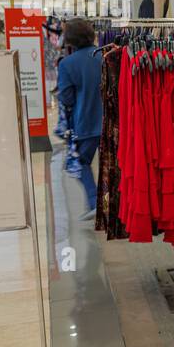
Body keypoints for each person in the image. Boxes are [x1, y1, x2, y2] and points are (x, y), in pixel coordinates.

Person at [57, 18, 103, 220]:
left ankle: (94, 201)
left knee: (82, 161)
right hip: (111, 121)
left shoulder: (67, 64)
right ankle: (114, 202)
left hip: (85, 121)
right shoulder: (104, 55)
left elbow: (66, 96)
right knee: (113, 163)